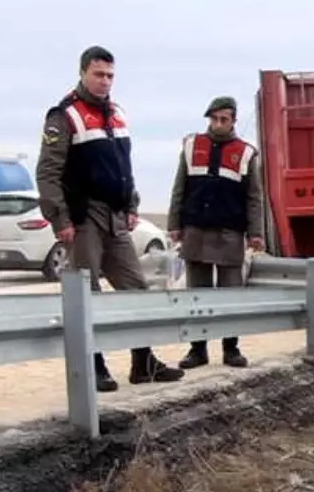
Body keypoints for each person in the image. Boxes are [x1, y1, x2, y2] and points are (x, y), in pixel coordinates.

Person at [36, 45, 185, 392]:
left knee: (136, 290)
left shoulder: (116, 114)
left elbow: (123, 167)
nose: (105, 82)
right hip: (84, 217)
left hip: (117, 217)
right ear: (84, 72)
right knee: (86, 295)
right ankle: (94, 366)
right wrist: (60, 220)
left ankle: (143, 362)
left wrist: (132, 204)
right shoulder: (64, 115)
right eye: (99, 75)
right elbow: (48, 173)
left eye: (110, 76)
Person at [166, 96, 265, 369]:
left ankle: (231, 349)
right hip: (195, 229)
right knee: (197, 294)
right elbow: (179, 188)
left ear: (233, 121)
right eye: (214, 119)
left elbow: (253, 198)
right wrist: (174, 224)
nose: (218, 124)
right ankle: (197, 350)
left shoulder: (246, 153)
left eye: (224, 119)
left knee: (230, 295)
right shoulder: (191, 145)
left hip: (230, 231)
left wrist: (256, 233)